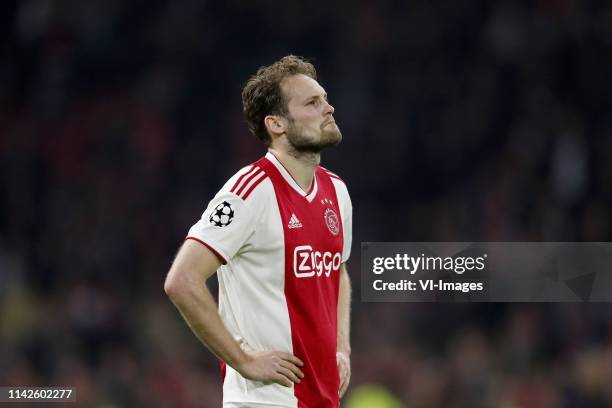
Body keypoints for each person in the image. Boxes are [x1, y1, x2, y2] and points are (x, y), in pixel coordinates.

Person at [164, 55, 352, 408]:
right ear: (277, 124)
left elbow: (336, 270)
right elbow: (182, 280)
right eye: (313, 102)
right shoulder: (249, 191)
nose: (329, 108)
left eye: (325, 99)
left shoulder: (337, 191)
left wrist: (341, 347)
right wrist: (244, 360)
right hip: (264, 401)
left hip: (322, 399)